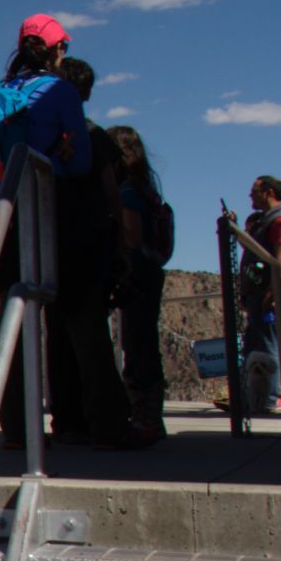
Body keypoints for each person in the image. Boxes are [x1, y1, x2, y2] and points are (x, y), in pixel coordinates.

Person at [0, 16, 151, 451]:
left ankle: (17, 426)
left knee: (15, 327)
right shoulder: (59, 91)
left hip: (7, 222)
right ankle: (108, 424)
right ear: (58, 49)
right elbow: (80, 162)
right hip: (63, 224)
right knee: (84, 325)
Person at [110, 125, 168, 434]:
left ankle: (144, 415)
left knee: (136, 343)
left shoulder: (128, 193)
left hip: (136, 273)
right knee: (145, 342)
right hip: (152, 271)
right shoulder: (148, 192)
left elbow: (131, 236)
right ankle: (150, 413)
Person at [240, 175, 281, 413]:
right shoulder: (267, 221)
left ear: (268, 191)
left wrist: (271, 294)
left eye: (253, 190)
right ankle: (253, 397)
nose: (250, 196)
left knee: (266, 342)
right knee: (256, 342)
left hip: (271, 294)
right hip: (263, 293)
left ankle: (269, 399)